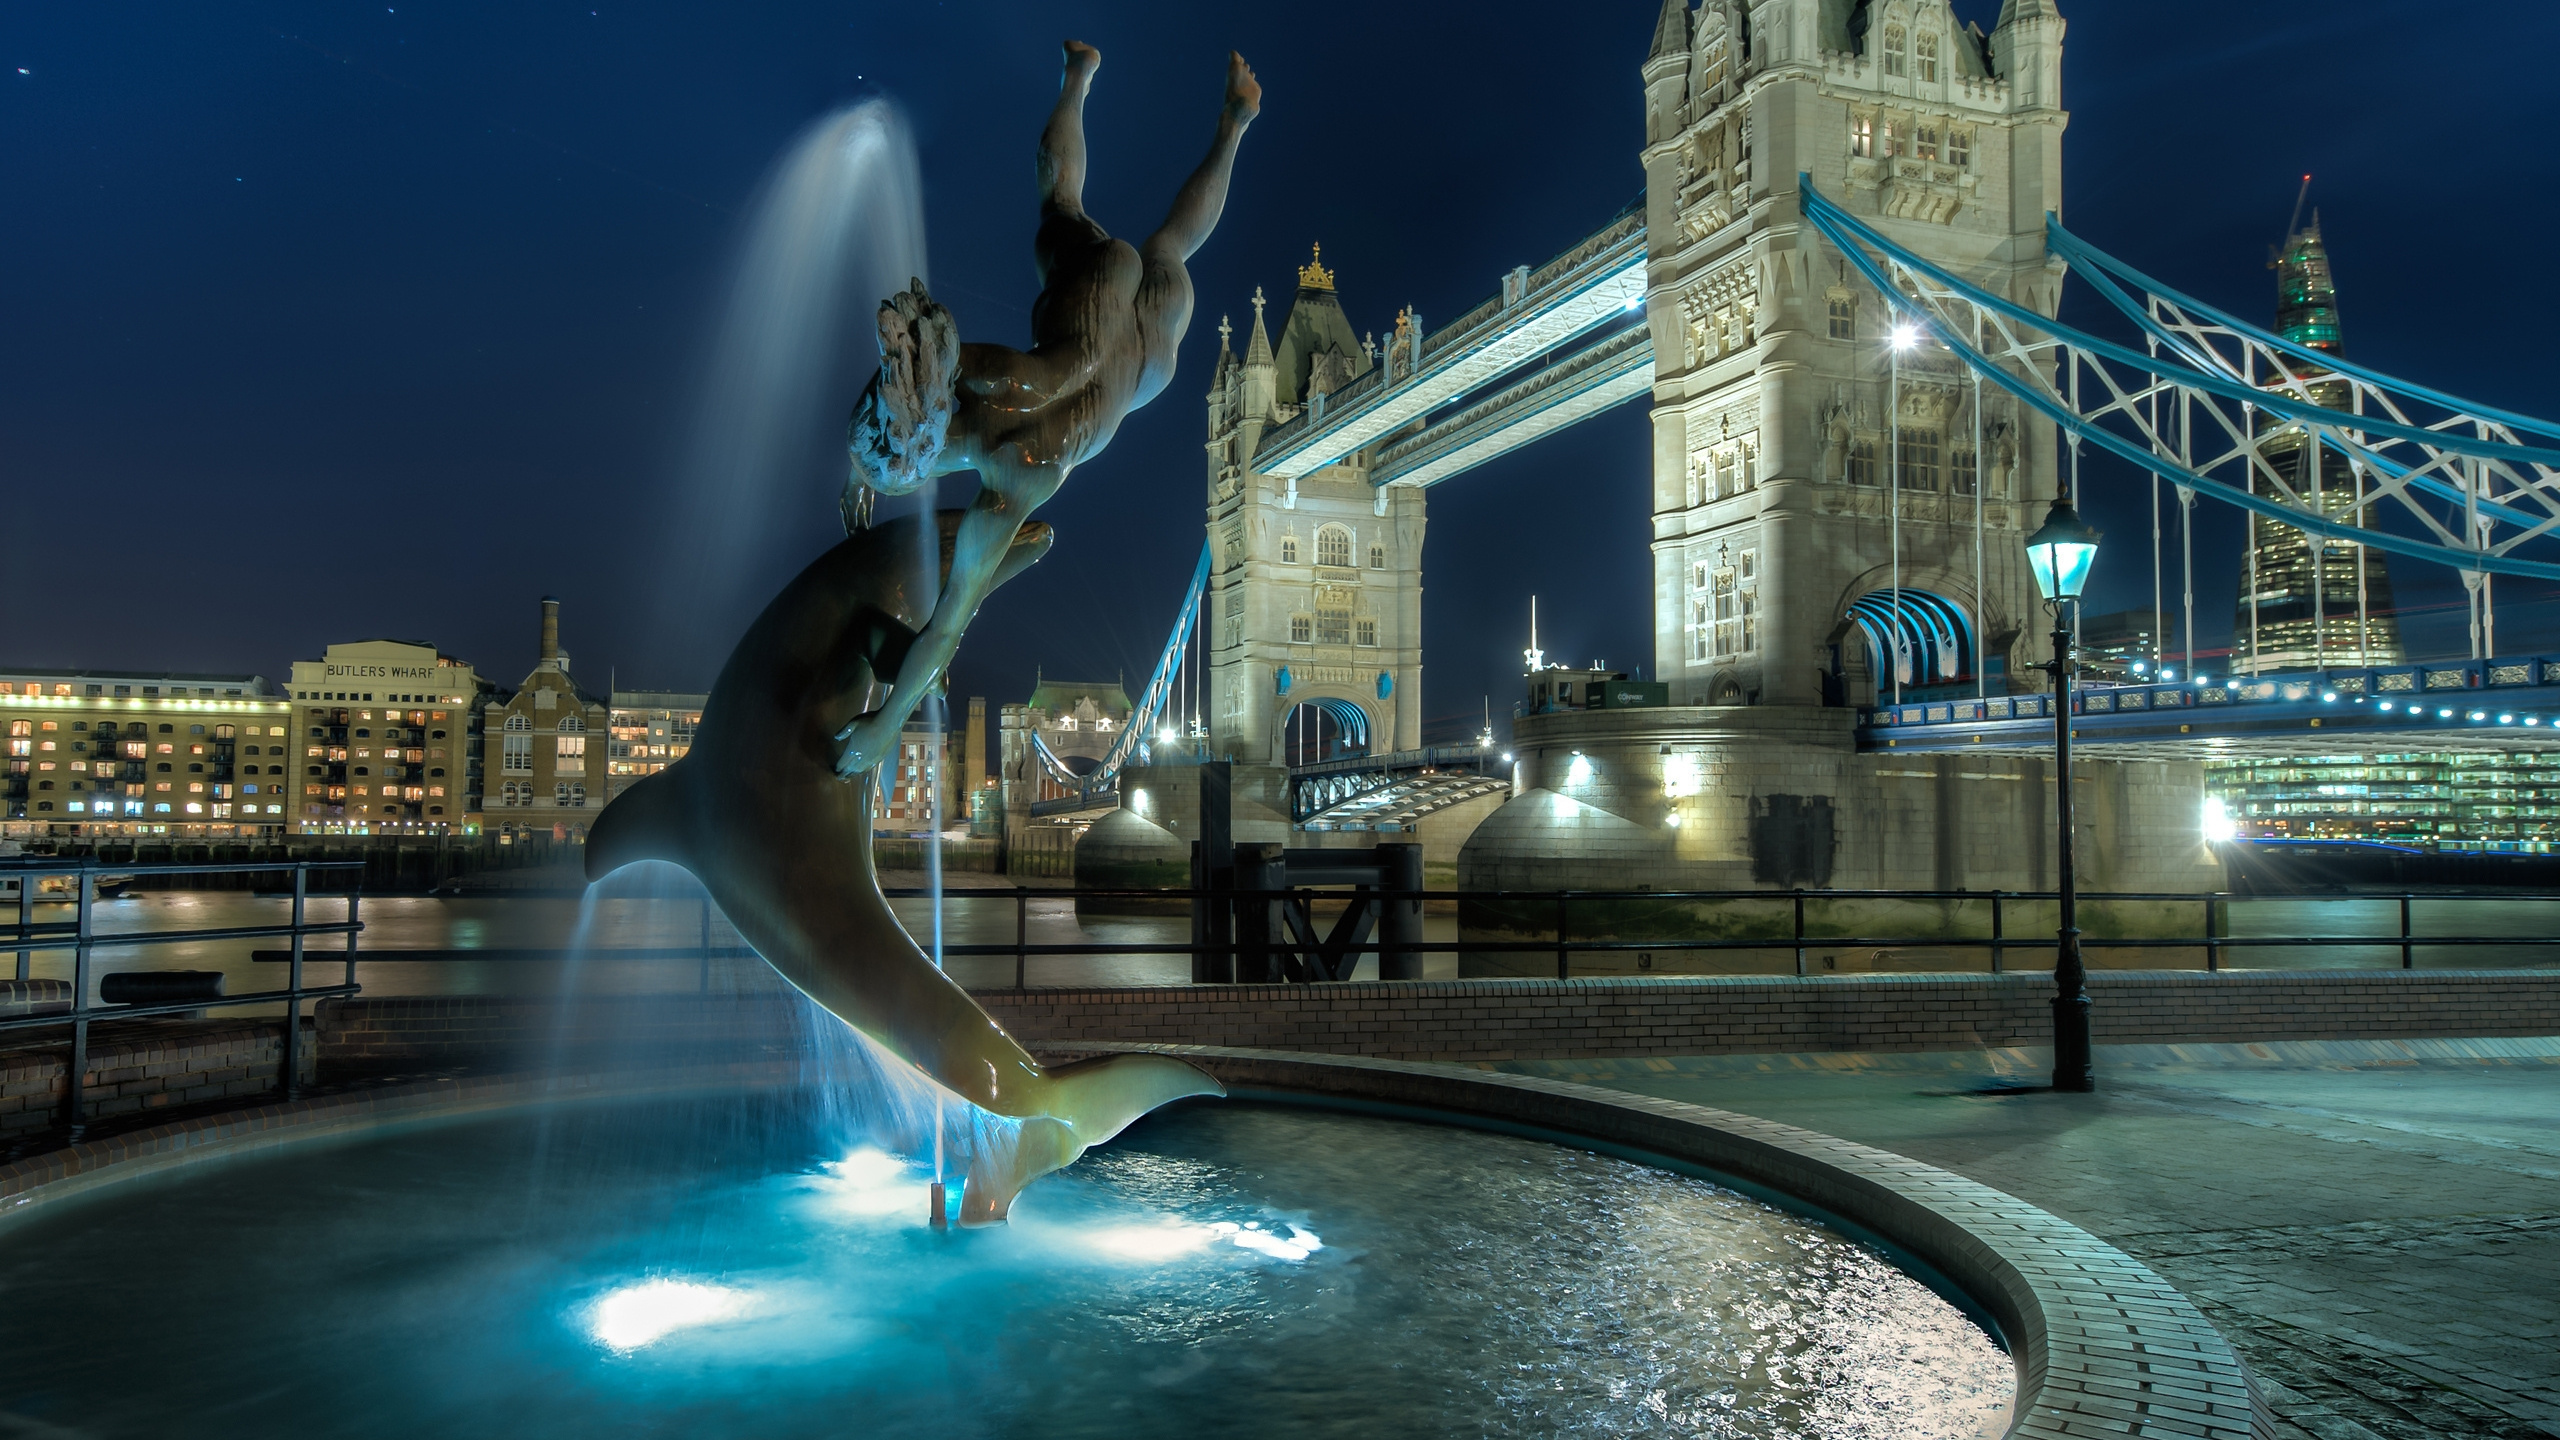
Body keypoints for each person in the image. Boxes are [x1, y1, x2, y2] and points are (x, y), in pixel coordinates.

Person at [837, 41, 1260, 777]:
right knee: (1060, 206)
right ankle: (1085, 76)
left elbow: (946, 628)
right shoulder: (979, 386)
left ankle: (1230, 124)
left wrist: (883, 728)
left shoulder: (1011, 486)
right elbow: (927, 366)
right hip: (1093, 310)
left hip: (1144, 360)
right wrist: (862, 462)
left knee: (1169, 246)